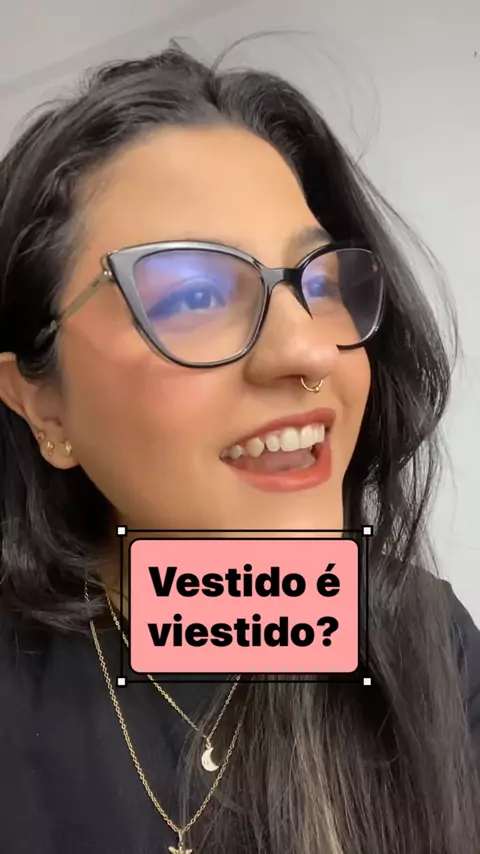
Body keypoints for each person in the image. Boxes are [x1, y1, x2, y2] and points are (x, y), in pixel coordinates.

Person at [0, 43, 479, 854]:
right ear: (42, 403)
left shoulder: (423, 640)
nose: (310, 350)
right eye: (193, 292)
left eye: (321, 282)